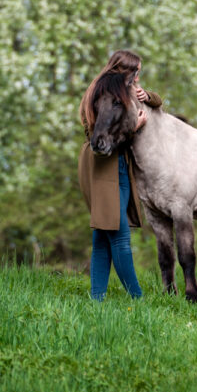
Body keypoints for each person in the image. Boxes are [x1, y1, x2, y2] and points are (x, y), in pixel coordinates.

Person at [77, 50, 162, 301]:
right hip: (104, 164)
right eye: (136, 71)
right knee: (120, 237)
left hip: (118, 165)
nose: (138, 77)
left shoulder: (117, 89)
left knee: (102, 238)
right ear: (126, 70)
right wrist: (135, 128)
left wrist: (148, 95)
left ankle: (97, 300)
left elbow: (156, 102)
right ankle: (138, 299)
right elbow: (101, 135)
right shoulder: (106, 93)